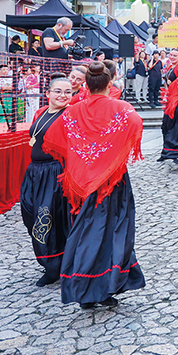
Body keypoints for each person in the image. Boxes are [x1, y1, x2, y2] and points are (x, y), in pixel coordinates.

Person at [43, 61, 145, 309]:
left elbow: (53, 138)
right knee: (113, 233)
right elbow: (136, 125)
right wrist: (111, 152)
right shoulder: (122, 108)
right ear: (110, 84)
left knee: (85, 231)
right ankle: (102, 286)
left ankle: (86, 287)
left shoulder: (72, 111)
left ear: (86, 85)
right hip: (113, 182)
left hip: (83, 183)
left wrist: (83, 155)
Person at [19, 74, 72, 287]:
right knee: (29, 212)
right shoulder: (41, 112)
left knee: (47, 218)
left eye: (68, 92)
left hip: (55, 172)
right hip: (35, 172)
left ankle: (54, 266)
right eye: (58, 91)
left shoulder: (70, 115)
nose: (63, 95)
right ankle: (49, 261)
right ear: (47, 93)